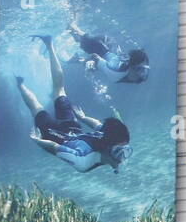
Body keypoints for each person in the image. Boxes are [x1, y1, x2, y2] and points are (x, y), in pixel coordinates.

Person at [16, 35, 132, 174]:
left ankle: (49, 44)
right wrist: (36, 140)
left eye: (125, 151)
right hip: (54, 134)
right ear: (107, 148)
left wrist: (83, 118)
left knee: (59, 89)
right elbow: (53, 146)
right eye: (120, 152)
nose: (123, 158)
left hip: (73, 126)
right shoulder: (83, 162)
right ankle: (20, 83)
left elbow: (96, 124)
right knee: (36, 107)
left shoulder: (108, 136)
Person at [68, 22, 150, 84]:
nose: (143, 74)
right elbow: (96, 57)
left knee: (84, 38)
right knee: (82, 38)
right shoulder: (117, 69)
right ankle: (73, 31)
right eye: (142, 69)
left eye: (145, 69)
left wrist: (91, 63)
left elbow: (95, 57)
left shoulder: (118, 70)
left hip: (102, 51)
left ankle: (73, 28)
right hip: (101, 51)